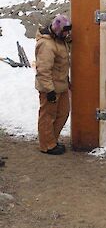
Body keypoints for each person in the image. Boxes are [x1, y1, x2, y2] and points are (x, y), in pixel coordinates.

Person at [35, 14, 72, 155]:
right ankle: (47, 145)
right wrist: (49, 90)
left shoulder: (60, 40)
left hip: (61, 85)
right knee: (47, 116)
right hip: (50, 88)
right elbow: (43, 70)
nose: (67, 33)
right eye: (65, 31)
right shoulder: (47, 44)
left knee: (63, 113)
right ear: (57, 29)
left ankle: (52, 140)